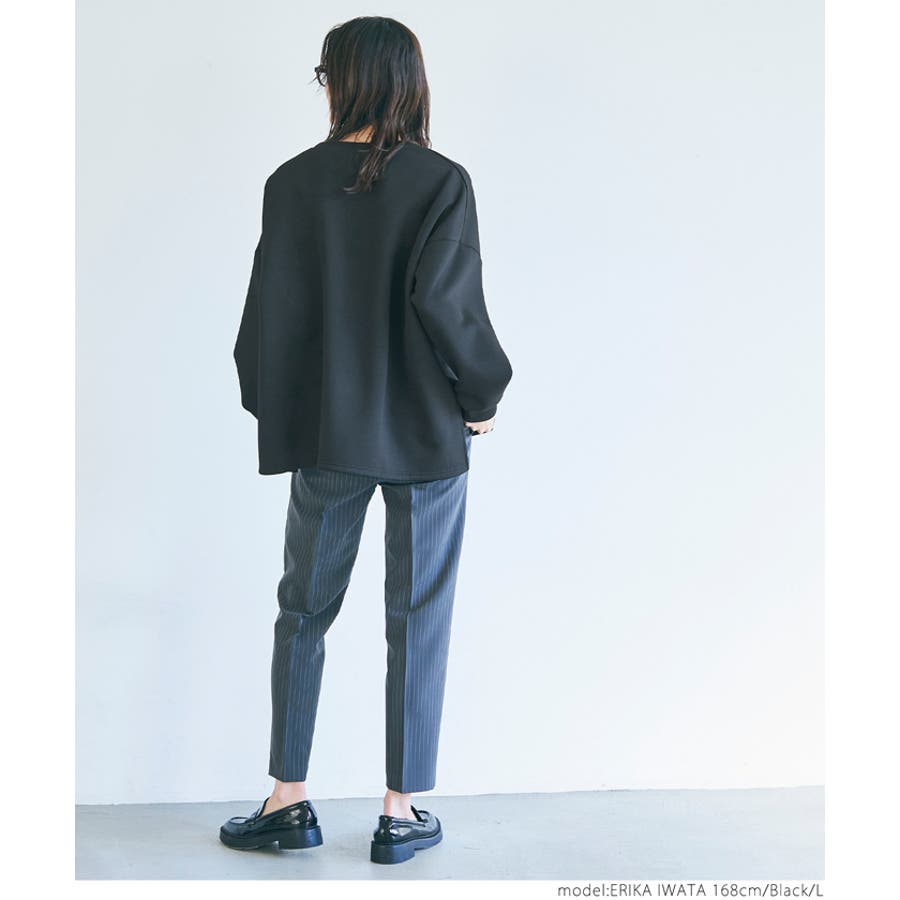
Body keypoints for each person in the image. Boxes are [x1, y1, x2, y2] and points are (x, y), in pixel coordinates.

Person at [219, 15, 513, 866]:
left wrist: (277, 408)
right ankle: (399, 811)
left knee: (303, 610)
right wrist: (482, 395)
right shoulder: (441, 181)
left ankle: (287, 800)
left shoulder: (290, 183)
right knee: (418, 616)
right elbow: (449, 303)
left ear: (339, 82)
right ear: (410, 81)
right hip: (426, 433)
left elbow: (262, 320)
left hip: (328, 435)